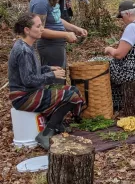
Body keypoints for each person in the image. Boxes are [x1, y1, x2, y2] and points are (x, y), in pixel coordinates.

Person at [8, 13, 84, 150]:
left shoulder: (27, 46)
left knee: (73, 90)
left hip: (32, 91)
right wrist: (51, 74)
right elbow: (29, 80)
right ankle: (47, 132)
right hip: (24, 97)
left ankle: (56, 124)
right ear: (27, 30)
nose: (42, 28)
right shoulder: (24, 51)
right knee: (71, 97)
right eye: (38, 26)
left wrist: (48, 68)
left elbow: (32, 71)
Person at [30, 0, 88, 84]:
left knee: (61, 78)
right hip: (48, 47)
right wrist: (65, 35)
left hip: (57, 45)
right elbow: (38, 31)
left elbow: (56, 18)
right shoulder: (40, 1)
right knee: (54, 82)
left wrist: (74, 28)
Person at [104, 0, 135, 109]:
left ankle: (98, 102)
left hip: (128, 72)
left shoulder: (132, 27)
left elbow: (119, 54)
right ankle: (117, 102)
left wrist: (109, 49)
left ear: (128, 14)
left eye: (122, 17)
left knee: (96, 62)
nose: (122, 20)